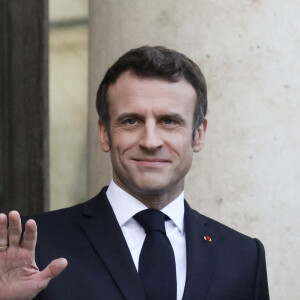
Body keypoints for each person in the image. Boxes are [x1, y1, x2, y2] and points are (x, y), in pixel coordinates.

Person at [0, 46, 269, 300]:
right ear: (105, 134)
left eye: (169, 121)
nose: (150, 141)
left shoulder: (244, 256)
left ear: (198, 136)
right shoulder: (30, 247)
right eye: (131, 121)